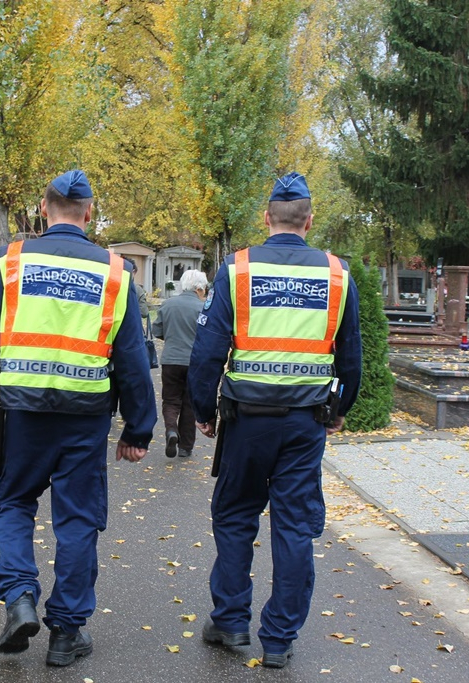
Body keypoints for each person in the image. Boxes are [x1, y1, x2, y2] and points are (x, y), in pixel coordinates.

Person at [0, 170, 156, 667]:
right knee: (77, 521)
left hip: (23, 414)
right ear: (89, 213)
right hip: (84, 421)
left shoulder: (14, 262)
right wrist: (138, 428)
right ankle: (66, 634)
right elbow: (131, 358)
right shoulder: (115, 272)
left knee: (10, 505)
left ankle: (20, 595)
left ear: (43, 209)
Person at [188, 172, 362, 668]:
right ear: (309, 220)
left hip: (246, 421)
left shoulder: (237, 269)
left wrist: (203, 410)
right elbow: (351, 356)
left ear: (267, 219)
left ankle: (231, 622)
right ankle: (280, 639)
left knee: (235, 517)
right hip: (305, 425)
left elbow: (207, 349)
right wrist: (338, 410)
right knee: (294, 527)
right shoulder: (335, 273)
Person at [151, 269, 208, 458]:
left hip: (171, 359)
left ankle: (171, 430)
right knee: (189, 403)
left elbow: (157, 330)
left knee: (170, 400)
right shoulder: (204, 308)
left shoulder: (168, 304)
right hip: (194, 361)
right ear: (198, 287)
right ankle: (186, 447)